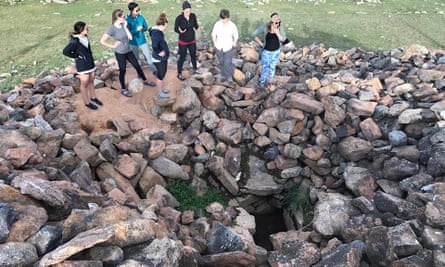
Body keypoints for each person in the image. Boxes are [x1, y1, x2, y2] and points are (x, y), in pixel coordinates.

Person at [100, 9, 155, 98]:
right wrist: (113, 46)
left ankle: (145, 80)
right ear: (117, 17)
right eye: (123, 16)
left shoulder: (123, 25)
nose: (124, 18)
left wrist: (125, 27)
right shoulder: (112, 28)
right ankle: (123, 89)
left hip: (128, 50)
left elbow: (130, 37)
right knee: (123, 70)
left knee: (137, 65)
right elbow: (102, 41)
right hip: (120, 53)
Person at [63, 21, 103, 110]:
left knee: (91, 81)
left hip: (90, 63)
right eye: (86, 28)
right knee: (84, 84)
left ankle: (93, 97)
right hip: (83, 66)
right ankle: (87, 102)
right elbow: (65, 51)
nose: (88, 30)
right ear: (80, 30)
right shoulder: (74, 41)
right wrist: (76, 56)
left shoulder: (85, 36)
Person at [252, 12, 287, 90]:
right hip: (266, 52)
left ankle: (270, 81)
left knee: (272, 67)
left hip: (276, 52)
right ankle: (262, 83)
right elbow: (253, 34)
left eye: (278, 19)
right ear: (271, 19)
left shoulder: (280, 28)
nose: (276, 21)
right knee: (265, 68)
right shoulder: (265, 27)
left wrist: (277, 32)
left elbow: (283, 39)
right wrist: (261, 44)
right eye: (274, 19)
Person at [126, 2, 157, 75]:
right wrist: (136, 30)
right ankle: (139, 74)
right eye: (136, 10)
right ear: (131, 11)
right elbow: (128, 33)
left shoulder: (141, 17)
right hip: (133, 42)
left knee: (148, 57)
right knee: (137, 59)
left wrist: (143, 28)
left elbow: (146, 27)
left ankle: (154, 71)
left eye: (139, 9)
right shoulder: (127, 20)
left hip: (142, 40)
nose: (138, 12)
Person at [211, 9, 238, 87]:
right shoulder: (217, 24)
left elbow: (236, 35)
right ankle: (223, 75)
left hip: (228, 47)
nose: (223, 20)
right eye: (222, 18)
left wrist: (234, 42)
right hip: (219, 47)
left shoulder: (232, 25)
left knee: (227, 62)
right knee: (221, 62)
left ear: (228, 18)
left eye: (225, 18)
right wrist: (215, 43)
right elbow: (213, 34)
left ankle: (229, 78)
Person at [174, 0, 200, 81]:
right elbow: (175, 28)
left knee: (193, 55)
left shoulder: (193, 16)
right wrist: (180, 31)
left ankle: (195, 69)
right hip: (183, 42)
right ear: (183, 10)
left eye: (189, 10)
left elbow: (195, 25)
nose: (188, 12)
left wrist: (198, 28)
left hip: (192, 40)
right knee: (182, 56)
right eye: (186, 11)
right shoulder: (179, 18)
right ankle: (179, 73)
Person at [149, 13, 170, 99]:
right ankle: (160, 93)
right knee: (160, 75)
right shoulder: (156, 34)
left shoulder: (157, 31)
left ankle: (161, 89)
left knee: (163, 73)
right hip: (159, 59)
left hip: (162, 58)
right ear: (162, 24)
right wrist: (159, 52)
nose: (166, 27)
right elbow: (154, 45)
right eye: (166, 26)